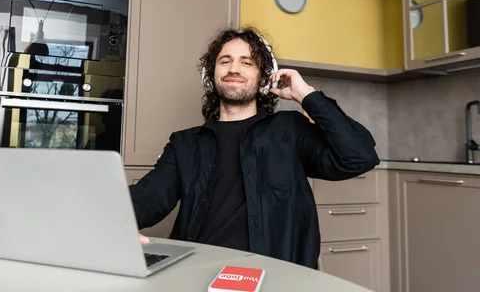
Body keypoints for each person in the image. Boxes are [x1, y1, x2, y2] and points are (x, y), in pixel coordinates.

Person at [128, 27, 379, 269]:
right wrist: (114, 223)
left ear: (262, 76)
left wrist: (307, 95)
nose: (234, 68)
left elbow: (359, 156)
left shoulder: (289, 129)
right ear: (211, 75)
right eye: (225, 61)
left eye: (247, 62)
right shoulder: (184, 143)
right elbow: (149, 197)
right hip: (196, 271)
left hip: (274, 275)